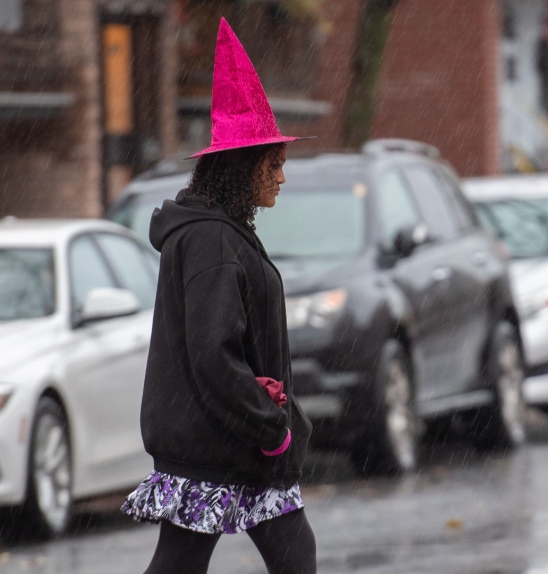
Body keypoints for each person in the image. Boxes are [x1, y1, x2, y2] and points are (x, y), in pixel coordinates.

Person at [121, 18, 315, 574]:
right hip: (219, 443)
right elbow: (214, 352)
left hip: (231, 441)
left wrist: (276, 424)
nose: (281, 175)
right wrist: (270, 426)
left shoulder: (223, 231)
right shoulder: (210, 240)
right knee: (200, 560)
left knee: (287, 553)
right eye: (272, 164)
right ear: (241, 168)